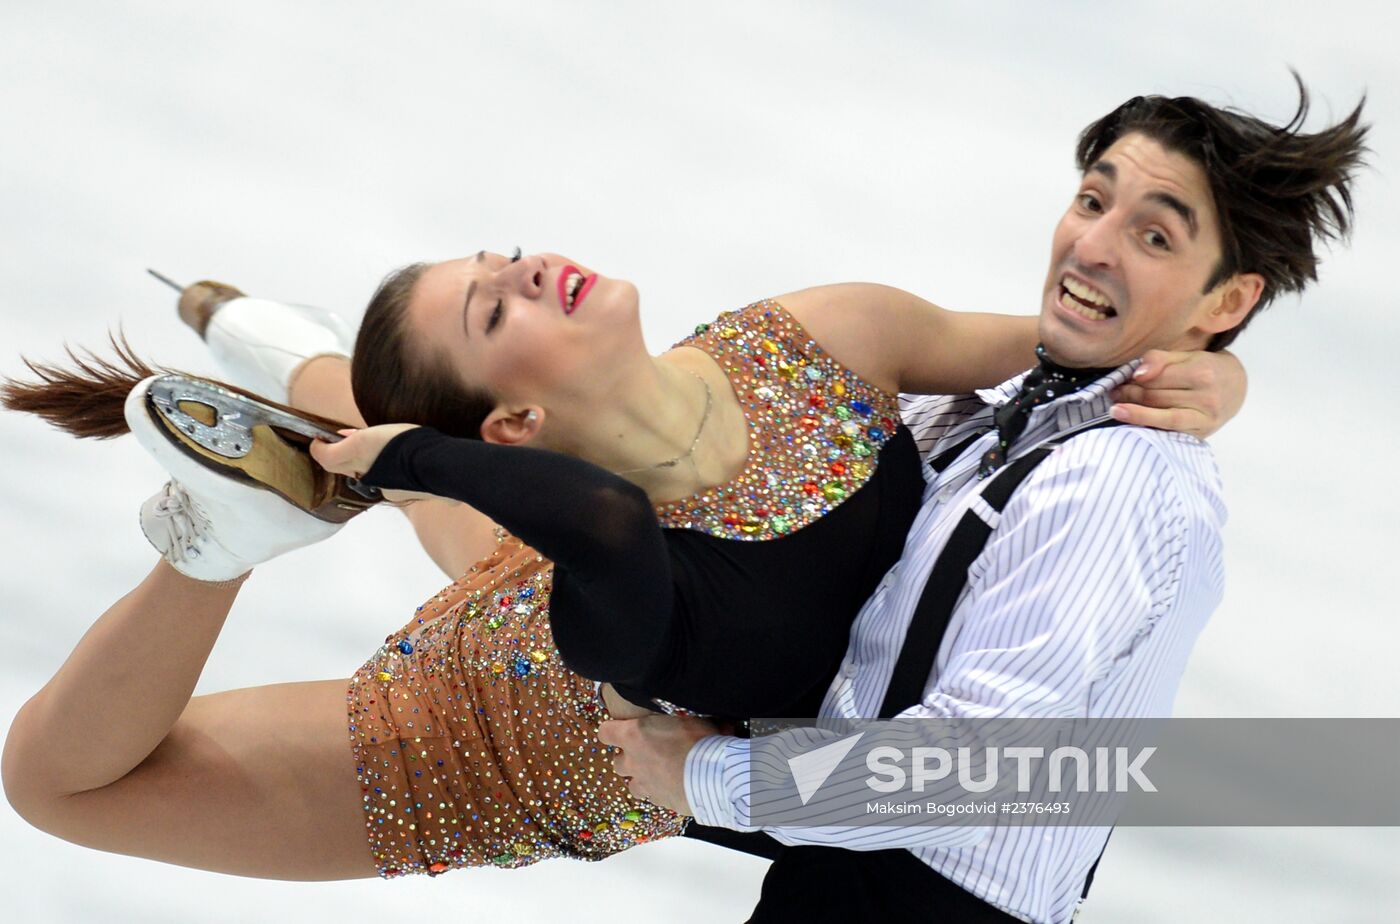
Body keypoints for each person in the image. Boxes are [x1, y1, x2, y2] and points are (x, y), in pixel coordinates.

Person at [0, 242, 1240, 884]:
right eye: (496, 309)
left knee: (481, 521)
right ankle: (226, 542)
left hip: (543, 541)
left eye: (496, 262)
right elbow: (587, 520)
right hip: (493, 730)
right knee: (56, 784)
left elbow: (1087, 346)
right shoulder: (583, 530)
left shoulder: (820, 337)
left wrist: (1207, 373)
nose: (525, 268)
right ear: (509, 429)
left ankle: (311, 370)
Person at [603, 81, 1370, 922]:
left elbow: (969, 774)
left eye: (1153, 234)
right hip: (844, 875)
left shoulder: (1118, 478)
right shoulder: (1007, 410)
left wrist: (706, 776)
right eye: (1092, 201)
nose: (1094, 246)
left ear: (1228, 301)